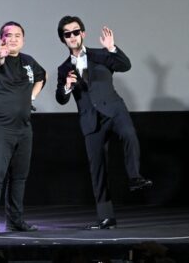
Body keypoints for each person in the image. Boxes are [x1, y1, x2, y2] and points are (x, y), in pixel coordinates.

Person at [55, 16, 153, 230]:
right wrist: (67, 86)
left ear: (83, 33)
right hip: (90, 120)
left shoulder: (100, 55)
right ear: (63, 39)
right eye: (67, 34)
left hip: (114, 110)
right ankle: (106, 217)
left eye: (76, 31)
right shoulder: (64, 69)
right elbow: (61, 99)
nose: (72, 36)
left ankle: (135, 177)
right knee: (97, 168)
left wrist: (112, 48)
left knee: (129, 134)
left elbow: (125, 65)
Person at [0, 21, 46, 235]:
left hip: (24, 128)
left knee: (19, 177)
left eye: (17, 35)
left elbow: (42, 76)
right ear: (2, 39)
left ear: (23, 40)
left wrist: (31, 97)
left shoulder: (28, 61)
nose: (13, 39)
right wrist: (0, 55)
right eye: (8, 35)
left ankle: (15, 220)